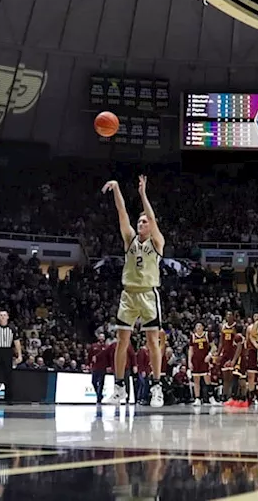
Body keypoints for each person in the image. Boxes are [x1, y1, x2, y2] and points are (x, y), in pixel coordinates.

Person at [102, 175, 166, 408]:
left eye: (144, 222)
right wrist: (118, 189)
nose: (141, 224)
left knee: (152, 341)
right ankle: (119, 388)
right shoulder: (130, 239)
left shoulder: (157, 241)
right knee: (122, 341)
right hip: (128, 294)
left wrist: (142, 194)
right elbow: (122, 213)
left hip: (149, 294)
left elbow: (151, 216)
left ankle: (156, 387)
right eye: (139, 222)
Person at [187, 322, 213, 406]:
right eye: (196, 326)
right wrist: (189, 361)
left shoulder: (207, 335)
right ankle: (197, 398)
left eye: (199, 326)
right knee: (196, 381)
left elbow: (214, 347)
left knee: (207, 380)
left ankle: (211, 398)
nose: (198, 327)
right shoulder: (193, 336)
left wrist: (209, 355)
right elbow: (190, 350)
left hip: (204, 360)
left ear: (203, 327)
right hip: (195, 361)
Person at [216, 311, 238, 402]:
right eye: (227, 315)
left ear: (233, 316)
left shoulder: (236, 326)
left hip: (233, 353)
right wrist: (218, 354)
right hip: (225, 353)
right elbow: (221, 342)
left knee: (232, 376)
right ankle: (224, 395)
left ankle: (232, 395)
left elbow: (239, 341)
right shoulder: (223, 327)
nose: (228, 316)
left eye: (230, 315)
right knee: (225, 377)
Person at [88, 332, 109, 404]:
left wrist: (108, 366)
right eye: (100, 337)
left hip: (103, 367)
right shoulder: (94, 346)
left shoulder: (106, 347)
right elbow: (89, 355)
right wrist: (89, 363)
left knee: (101, 383)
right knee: (93, 382)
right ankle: (99, 395)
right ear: (98, 338)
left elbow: (108, 356)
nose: (102, 338)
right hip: (95, 367)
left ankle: (98, 398)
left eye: (103, 337)